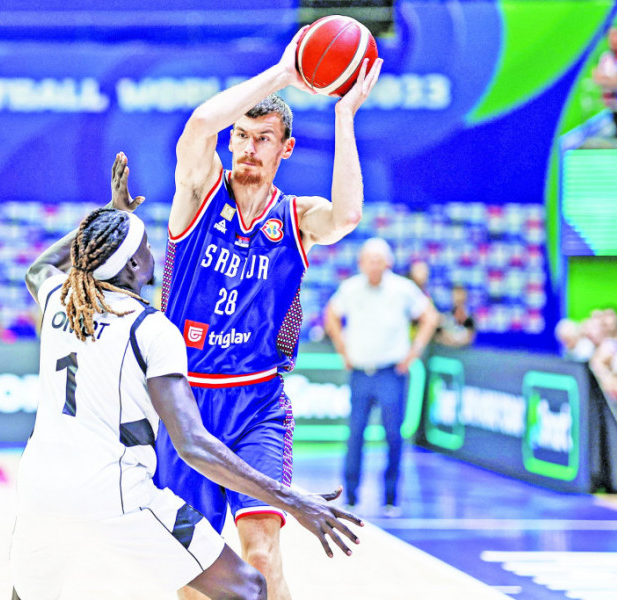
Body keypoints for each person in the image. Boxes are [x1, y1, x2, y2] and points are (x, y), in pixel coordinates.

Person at [13, 161, 362, 600]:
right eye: (146, 245)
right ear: (136, 264)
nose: (155, 252)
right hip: (115, 492)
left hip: (40, 486)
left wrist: (110, 215)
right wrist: (291, 498)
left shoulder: (60, 301)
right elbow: (192, 443)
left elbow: (40, 267)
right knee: (249, 587)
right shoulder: (150, 328)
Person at [147, 26, 382, 598]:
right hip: (186, 404)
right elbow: (199, 127)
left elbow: (347, 216)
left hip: (257, 405)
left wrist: (344, 115)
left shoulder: (296, 217)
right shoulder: (199, 193)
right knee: (192, 571)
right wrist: (285, 73)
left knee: (261, 553)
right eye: (242, 136)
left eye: (264, 138)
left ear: (285, 149)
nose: (249, 148)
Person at [323, 238, 438, 515]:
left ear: (388, 262)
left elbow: (430, 317)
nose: (374, 265)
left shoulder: (403, 289)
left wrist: (414, 352)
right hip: (360, 372)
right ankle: (350, 497)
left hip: (391, 373)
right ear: (361, 263)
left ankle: (390, 498)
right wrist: (341, 348)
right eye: (369, 260)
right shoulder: (350, 288)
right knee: (355, 435)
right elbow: (330, 314)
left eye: (379, 260)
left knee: (394, 435)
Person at [592, 25, 617, 137]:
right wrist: (611, 81)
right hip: (611, 105)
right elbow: (597, 78)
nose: (612, 40)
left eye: (615, 36)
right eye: (610, 36)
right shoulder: (606, 57)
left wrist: (607, 80)